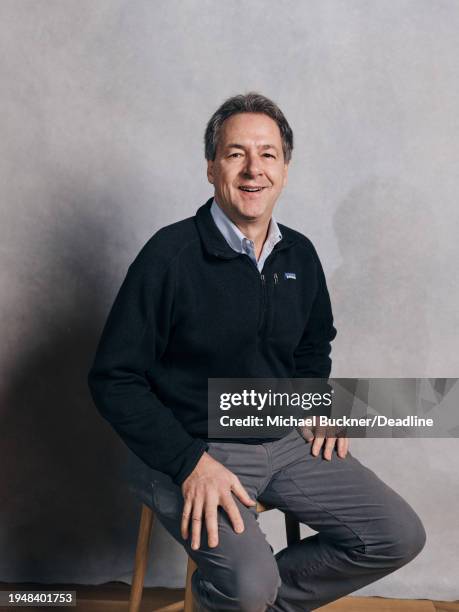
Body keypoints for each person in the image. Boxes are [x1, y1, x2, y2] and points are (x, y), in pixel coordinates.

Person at [88, 93, 426, 612]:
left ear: (285, 169)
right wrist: (188, 462)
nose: (253, 170)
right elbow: (114, 378)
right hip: (191, 447)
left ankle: (231, 601)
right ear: (210, 167)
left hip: (283, 438)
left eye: (267, 154)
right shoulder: (170, 256)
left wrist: (313, 403)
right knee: (248, 584)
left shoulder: (300, 254)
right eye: (235, 153)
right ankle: (242, 596)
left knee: (397, 535)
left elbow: (314, 346)